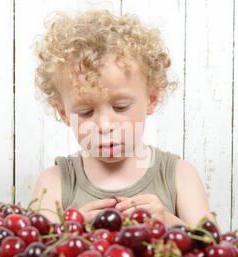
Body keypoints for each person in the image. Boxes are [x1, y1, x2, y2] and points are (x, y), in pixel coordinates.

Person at [30, 9, 215, 228]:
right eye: (86, 112)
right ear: (63, 113)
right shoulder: (54, 183)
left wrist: (168, 222)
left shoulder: (178, 176)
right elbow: (35, 255)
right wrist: (72, 229)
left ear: (152, 99)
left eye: (120, 107)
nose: (105, 125)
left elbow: (215, 248)